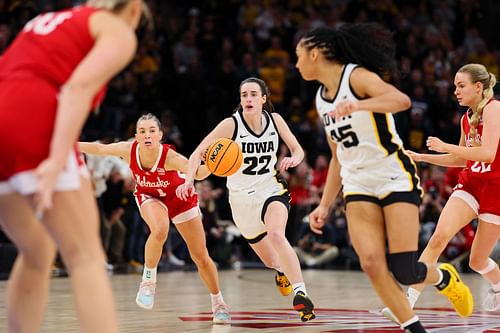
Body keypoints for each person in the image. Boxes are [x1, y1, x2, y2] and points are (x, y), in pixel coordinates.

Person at [294, 23, 473, 332]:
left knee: (405, 270)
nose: (295, 64)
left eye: (298, 56)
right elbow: (338, 156)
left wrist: (360, 105)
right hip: (357, 183)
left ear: (315, 53)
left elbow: (400, 101)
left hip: (392, 175)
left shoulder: (357, 77)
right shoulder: (321, 99)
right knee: (372, 264)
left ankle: (443, 276)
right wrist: (324, 205)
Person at [0, 1, 144, 332]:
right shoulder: (115, 28)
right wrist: (55, 158)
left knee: (36, 250)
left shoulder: (47, 20)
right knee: (87, 257)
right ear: (134, 8)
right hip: (31, 118)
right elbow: (77, 87)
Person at [177, 77, 316, 322]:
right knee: (271, 259)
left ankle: (301, 294)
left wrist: (295, 158)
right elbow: (198, 153)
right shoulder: (231, 125)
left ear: (264, 98)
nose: (248, 99)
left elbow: (298, 149)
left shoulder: (276, 120)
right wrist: (189, 181)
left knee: (276, 234)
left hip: (270, 188)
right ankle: (281, 270)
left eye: (253, 94)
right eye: (244, 95)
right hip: (241, 199)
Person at [78, 113, 231, 324]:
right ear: (136, 136)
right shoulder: (128, 150)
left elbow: (197, 174)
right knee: (160, 229)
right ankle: (148, 282)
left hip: (179, 198)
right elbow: (99, 149)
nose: (147, 135)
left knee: (201, 257)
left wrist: (216, 165)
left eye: (151, 131)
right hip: (149, 196)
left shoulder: (171, 158)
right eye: (142, 131)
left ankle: (218, 303)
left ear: (160, 135)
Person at [404, 63, 500, 312]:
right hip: (471, 183)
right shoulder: (465, 118)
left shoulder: (494, 109)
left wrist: (445, 145)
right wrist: (423, 157)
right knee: (438, 237)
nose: (455, 90)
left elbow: (488, 154)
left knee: (477, 261)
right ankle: (406, 303)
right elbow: (462, 159)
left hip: (495, 188)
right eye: (455, 86)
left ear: (478, 87)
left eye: (461, 85)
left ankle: (499, 287)